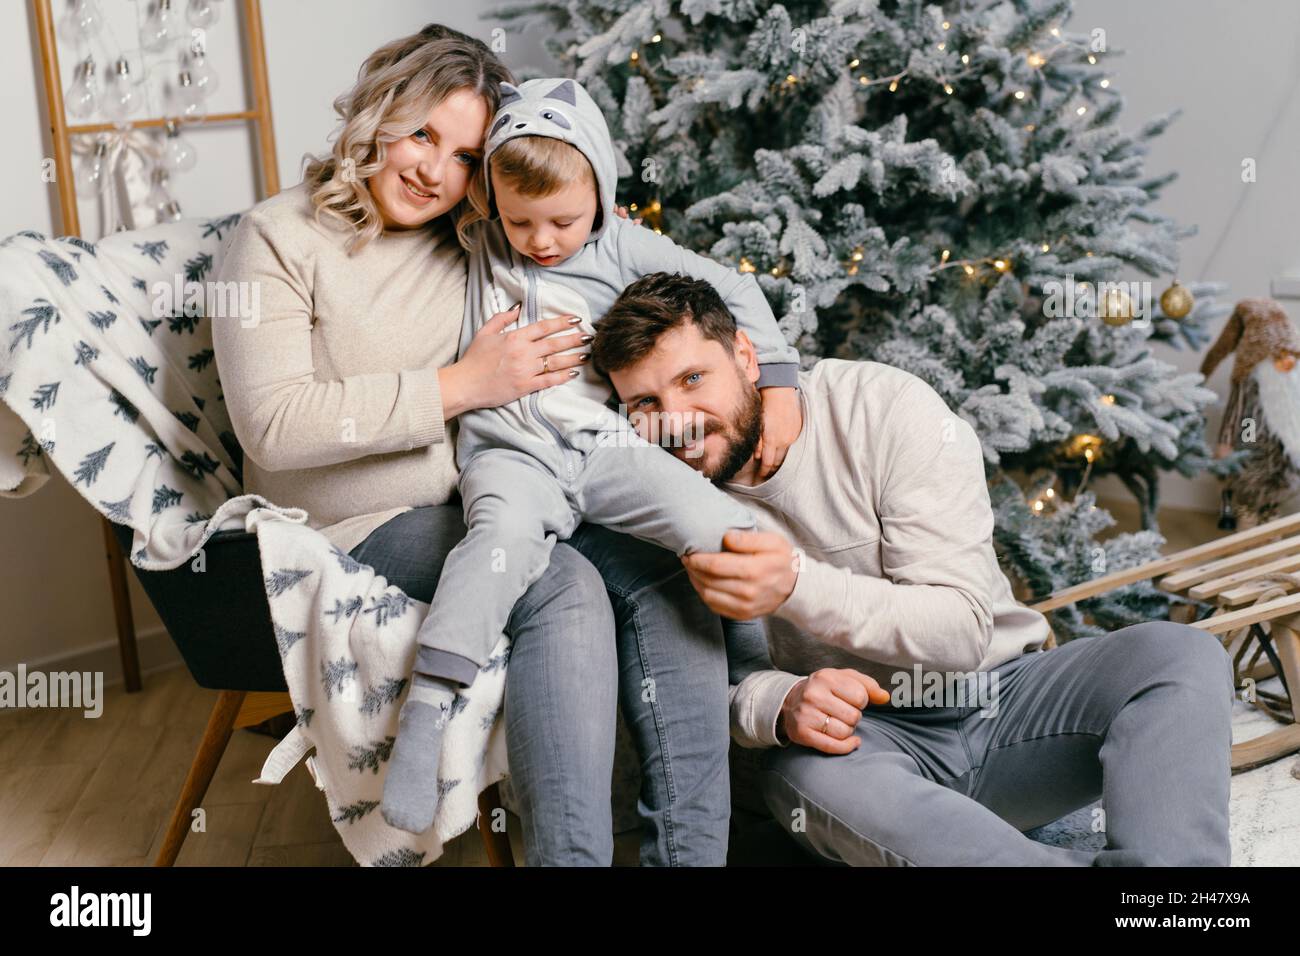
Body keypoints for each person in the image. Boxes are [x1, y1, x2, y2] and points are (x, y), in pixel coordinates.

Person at [212, 25, 739, 865]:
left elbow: (605, 256)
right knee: (559, 586)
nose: (433, 170)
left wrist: (761, 381)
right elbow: (272, 425)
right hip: (359, 520)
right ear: (375, 118)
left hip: (504, 486)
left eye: (463, 156)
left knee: (662, 574)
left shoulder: (481, 239)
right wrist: (462, 385)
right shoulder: (273, 238)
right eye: (422, 134)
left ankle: (691, 856)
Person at [589, 271, 1236, 866]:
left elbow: (959, 631)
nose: (675, 423)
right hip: (865, 755)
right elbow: (685, 691)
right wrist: (778, 703)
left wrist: (794, 585)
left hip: (1003, 700)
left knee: (1181, 654)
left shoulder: (880, 408)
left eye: (693, 380)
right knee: (800, 777)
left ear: (746, 358)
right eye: (645, 404)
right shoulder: (654, 502)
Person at [380, 75, 803, 834]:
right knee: (496, 547)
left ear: (601, 193)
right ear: (492, 205)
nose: (542, 240)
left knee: (724, 525)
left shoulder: (622, 245)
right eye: (522, 222)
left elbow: (732, 290)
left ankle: (750, 672)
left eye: (562, 220)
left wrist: (777, 379)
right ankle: (427, 714)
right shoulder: (480, 239)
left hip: (606, 451)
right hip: (509, 455)